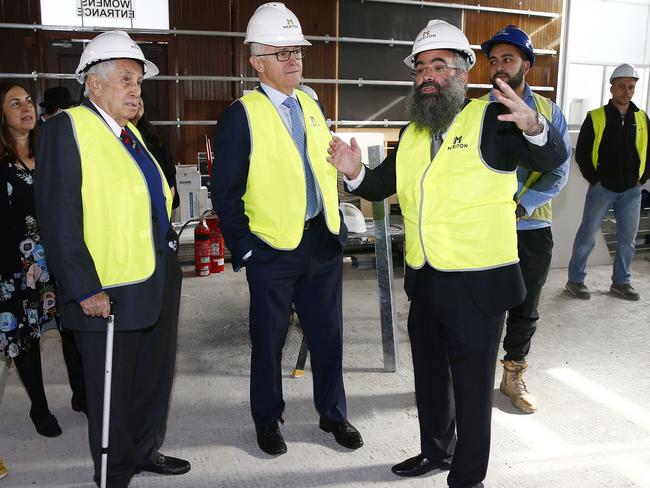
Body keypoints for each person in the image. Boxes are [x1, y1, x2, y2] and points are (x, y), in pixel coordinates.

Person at [327, 19, 566, 488]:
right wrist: (356, 174)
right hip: (426, 277)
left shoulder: (493, 118)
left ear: (462, 72)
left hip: (478, 283)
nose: (427, 76)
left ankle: (467, 476)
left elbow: (551, 159)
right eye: (420, 68)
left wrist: (536, 126)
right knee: (431, 380)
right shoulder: (413, 130)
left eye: (439, 65)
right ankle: (436, 453)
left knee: (473, 389)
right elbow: (383, 185)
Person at [34, 31, 189, 487]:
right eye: (127, 79)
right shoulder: (68, 128)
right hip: (108, 287)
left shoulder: (129, 135)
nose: (136, 90)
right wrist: (83, 287)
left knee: (151, 381)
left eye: (138, 82)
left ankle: (144, 450)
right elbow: (57, 215)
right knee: (112, 391)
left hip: (153, 276)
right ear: (94, 84)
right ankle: (115, 470)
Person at [212, 2, 362, 457]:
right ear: (257, 61)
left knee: (328, 338)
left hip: (320, 240)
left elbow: (321, 165)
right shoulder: (242, 114)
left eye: (297, 51)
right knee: (269, 342)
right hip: (272, 250)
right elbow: (226, 192)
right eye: (282, 53)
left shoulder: (312, 104)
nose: (294, 59)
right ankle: (267, 419)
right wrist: (247, 250)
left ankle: (333, 414)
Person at [480, 26, 571, 414]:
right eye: (495, 60)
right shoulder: (477, 111)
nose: (500, 67)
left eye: (509, 59)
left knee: (525, 306)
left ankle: (512, 374)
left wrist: (522, 204)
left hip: (531, 228)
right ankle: (474, 375)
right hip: (484, 228)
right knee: (482, 305)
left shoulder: (548, 113)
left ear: (527, 65)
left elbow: (559, 171)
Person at [0, 82, 86, 438]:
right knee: (26, 337)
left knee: (72, 329)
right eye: (14, 103)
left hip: (58, 255)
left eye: (27, 102)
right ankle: (39, 406)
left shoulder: (50, 148)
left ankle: (82, 395)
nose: (25, 108)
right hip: (14, 266)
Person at [566, 63, 649, 301]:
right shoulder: (596, 117)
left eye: (631, 87)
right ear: (612, 88)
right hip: (602, 189)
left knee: (627, 241)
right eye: (622, 86)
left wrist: (642, 179)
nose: (627, 91)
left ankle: (621, 283)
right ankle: (575, 281)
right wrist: (596, 180)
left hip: (632, 191)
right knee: (587, 237)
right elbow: (582, 153)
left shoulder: (642, 118)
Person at [129, 97, 179, 208]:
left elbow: (170, 183)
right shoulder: (112, 138)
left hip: (161, 215)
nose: (136, 98)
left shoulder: (156, 141)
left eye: (138, 94)